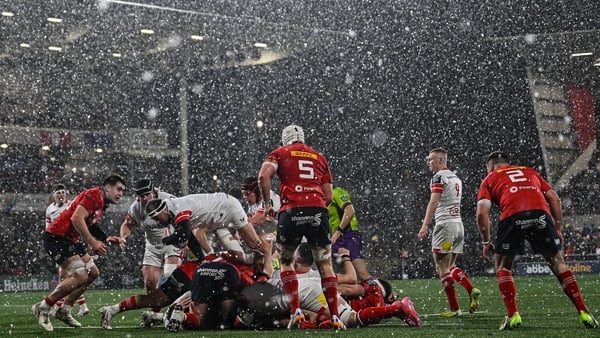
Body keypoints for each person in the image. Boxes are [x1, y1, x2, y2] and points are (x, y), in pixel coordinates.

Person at [476, 151, 599, 330]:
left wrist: (486, 242)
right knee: (559, 264)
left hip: (513, 214)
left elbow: (481, 213)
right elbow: (554, 200)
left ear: (491, 166)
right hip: (540, 214)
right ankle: (584, 311)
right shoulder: (530, 171)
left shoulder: (490, 179)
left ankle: (513, 315)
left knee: (503, 266)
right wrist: (557, 228)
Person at [257, 124, 344, 330]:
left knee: (286, 262)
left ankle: (296, 311)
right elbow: (329, 196)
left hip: (291, 211)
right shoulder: (318, 157)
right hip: (318, 210)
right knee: (325, 265)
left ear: (284, 138)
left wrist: (268, 205)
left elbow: (263, 176)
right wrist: (314, 210)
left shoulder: (279, 152)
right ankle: (335, 317)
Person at [33, 174, 127, 332]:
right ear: (108, 187)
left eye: (123, 191)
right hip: (57, 237)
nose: (121, 194)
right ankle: (43, 307)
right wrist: (92, 242)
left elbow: (88, 223)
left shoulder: (101, 202)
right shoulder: (95, 195)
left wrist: (105, 237)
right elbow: (77, 218)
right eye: (119, 189)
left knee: (93, 273)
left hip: (70, 240)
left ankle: (64, 309)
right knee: (80, 275)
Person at [418, 148, 480, 317]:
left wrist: (425, 225)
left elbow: (434, 202)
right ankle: (471, 289)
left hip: (445, 226)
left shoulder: (438, 177)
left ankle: (455, 309)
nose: (428, 163)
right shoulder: (456, 178)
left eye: (431, 160)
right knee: (450, 266)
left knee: (441, 267)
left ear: (440, 160)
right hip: (458, 226)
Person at [145, 193, 269, 263]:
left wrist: (166, 240)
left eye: (157, 217)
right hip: (215, 222)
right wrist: (202, 259)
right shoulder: (171, 212)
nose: (157, 221)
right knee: (239, 256)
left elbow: (184, 235)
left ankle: (272, 266)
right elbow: (190, 238)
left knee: (255, 244)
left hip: (228, 208)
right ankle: (257, 273)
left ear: (165, 210)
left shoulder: (178, 208)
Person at [118, 179, 180, 302]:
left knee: (170, 278)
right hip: (152, 246)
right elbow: (127, 224)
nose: (145, 198)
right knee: (150, 284)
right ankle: (155, 313)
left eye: (147, 194)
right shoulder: (136, 208)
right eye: (142, 196)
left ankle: (175, 311)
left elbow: (184, 218)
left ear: (154, 192)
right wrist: (123, 237)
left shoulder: (169, 200)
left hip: (172, 243)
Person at [44, 184, 90, 318]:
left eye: (63, 192)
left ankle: (57, 306)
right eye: (58, 192)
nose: (61, 195)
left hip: (70, 243)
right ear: (53, 195)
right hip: (58, 244)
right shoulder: (49, 209)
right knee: (73, 276)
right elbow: (48, 227)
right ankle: (82, 306)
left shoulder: (71, 205)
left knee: (68, 276)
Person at [328, 186, 373, 282]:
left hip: (348, 235)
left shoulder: (336, 192)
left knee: (361, 273)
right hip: (334, 238)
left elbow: (350, 210)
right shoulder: (322, 197)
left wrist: (338, 231)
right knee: (333, 275)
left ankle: (385, 294)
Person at [240, 176, 281, 241]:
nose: (244, 197)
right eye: (243, 194)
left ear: (257, 191)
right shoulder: (254, 200)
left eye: (247, 193)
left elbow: (255, 221)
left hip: (285, 232)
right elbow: (248, 220)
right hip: (275, 230)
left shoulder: (269, 197)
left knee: (256, 237)